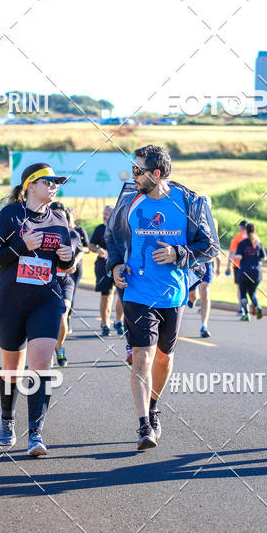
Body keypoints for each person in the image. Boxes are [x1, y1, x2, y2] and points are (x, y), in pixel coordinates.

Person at [106, 144, 219, 451]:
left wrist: (178, 253)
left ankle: (153, 405)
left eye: (138, 170)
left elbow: (209, 247)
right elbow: (113, 237)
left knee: (164, 358)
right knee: (142, 357)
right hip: (137, 291)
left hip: (174, 292)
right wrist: (115, 264)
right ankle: (144, 425)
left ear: (156, 174)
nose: (133, 175)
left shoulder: (189, 203)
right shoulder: (130, 200)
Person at [0, 163, 74, 457]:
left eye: (57, 182)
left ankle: (35, 434)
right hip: (11, 300)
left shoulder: (59, 219)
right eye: (48, 181)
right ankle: (7, 418)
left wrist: (67, 258)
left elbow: (63, 266)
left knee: (41, 366)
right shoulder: (10, 216)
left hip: (45, 299)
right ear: (30, 186)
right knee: (12, 369)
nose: (54, 185)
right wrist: (20, 246)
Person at [50, 202, 84, 366]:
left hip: (65, 281)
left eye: (61, 216)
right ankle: (47, 347)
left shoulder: (73, 235)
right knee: (46, 318)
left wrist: (74, 263)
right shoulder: (44, 234)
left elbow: (81, 250)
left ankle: (59, 347)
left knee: (63, 313)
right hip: (47, 281)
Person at [89, 205, 124, 336]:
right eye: (104, 213)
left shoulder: (121, 229)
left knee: (122, 296)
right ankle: (105, 324)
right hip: (103, 267)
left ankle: (119, 321)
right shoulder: (99, 229)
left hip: (120, 266)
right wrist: (98, 249)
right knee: (106, 297)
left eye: (107, 214)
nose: (104, 216)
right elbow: (91, 244)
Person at [187, 197, 219, 337]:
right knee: (193, 294)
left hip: (207, 261)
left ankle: (203, 326)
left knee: (205, 289)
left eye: (208, 207)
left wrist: (217, 259)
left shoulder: (214, 222)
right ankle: (192, 298)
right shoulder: (192, 221)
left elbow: (215, 242)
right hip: (194, 261)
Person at [236, 223, 266, 321]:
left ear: (246, 230)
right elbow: (263, 257)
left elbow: (238, 256)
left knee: (243, 293)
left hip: (244, 271)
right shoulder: (258, 244)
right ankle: (257, 306)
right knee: (252, 292)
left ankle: (246, 313)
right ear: (254, 231)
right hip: (256, 272)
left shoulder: (242, 243)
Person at [67, 209, 88, 334]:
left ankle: (67, 319)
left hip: (76, 266)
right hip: (62, 267)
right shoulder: (61, 230)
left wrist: (76, 250)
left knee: (71, 294)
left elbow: (87, 247)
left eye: (69, 218)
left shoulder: (78, 231)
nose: (68, 221)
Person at [226, 220, 249, 316]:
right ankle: (248, 307)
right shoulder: (255, 237)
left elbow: (232, 252)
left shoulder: (237, 237)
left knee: (240, 288)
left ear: (240, 227)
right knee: (248, 288)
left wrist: (228, 267)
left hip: (238, 265)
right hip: (251, 266)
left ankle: (241, 308)